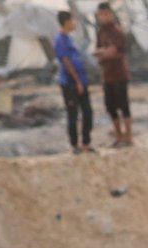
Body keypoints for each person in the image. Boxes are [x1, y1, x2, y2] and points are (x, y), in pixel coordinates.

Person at [52, 13, 93, 153]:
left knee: (87, 111)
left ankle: (86, 143)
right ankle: (74, 145)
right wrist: (77, 81)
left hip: (81, 80)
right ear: (66, 21)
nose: (74, 23)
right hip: (70, 83)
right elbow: (66, 62)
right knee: (73, 113)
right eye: (72, 20)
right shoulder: (60, 40)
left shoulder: (70, 38)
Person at [93, 4, 132, 147]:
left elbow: (113, 52)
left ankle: (128, 135)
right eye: (100, 14)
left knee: (123, 105)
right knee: (110, 106)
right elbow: (97, 52)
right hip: (107, 74)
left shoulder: (117, 31)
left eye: (105, 14)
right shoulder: (100, 32)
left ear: (111, 14)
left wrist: (104, 52)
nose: (103, 17)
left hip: (119, 74)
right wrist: (103, 52)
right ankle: (119, 135)